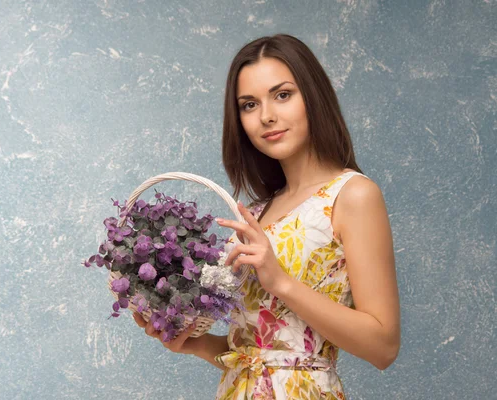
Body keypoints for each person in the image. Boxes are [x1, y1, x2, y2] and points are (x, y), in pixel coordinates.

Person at [133, 34, 400, 399]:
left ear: (313, 96)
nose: (267, 116)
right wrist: (194, 344)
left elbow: (383, 346)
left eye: (283, 95)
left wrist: (281, 282)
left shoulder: (352, 195)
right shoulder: (256, 212)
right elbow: (260, 355)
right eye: (248, 105)